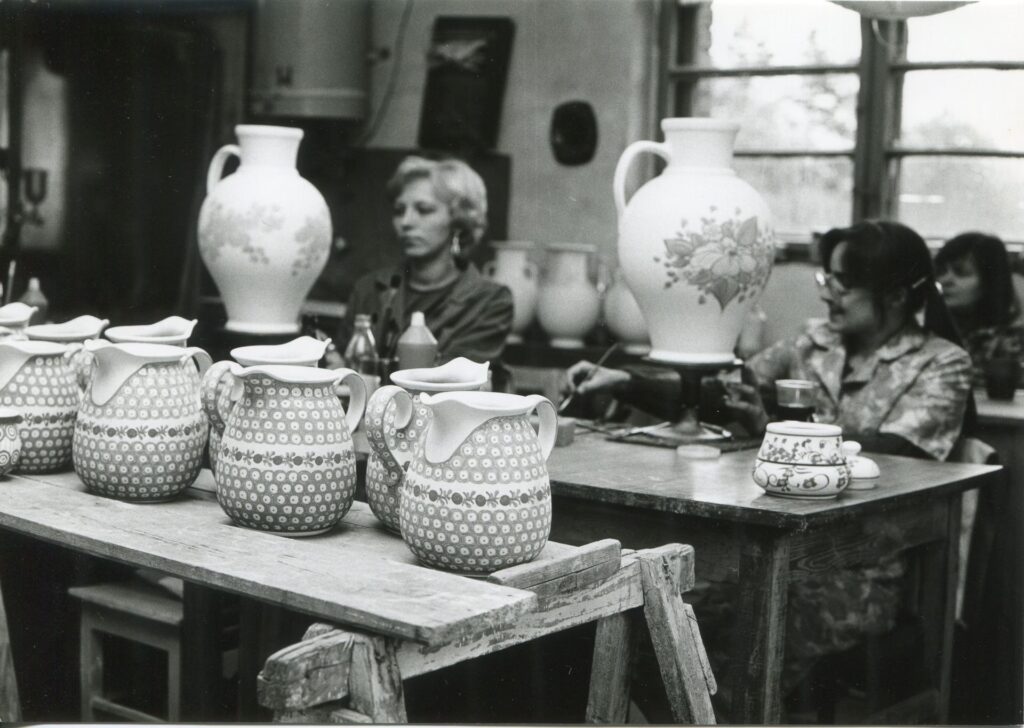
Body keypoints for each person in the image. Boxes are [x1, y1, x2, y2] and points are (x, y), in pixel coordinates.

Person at [563, 220, 974, 715]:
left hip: (857, 572)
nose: (828, 292)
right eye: (827, 278)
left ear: (896, 295)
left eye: (843, 282)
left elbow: (897, 454)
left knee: (728, 645)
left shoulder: (942, 364)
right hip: (769, 552)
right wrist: (624, 382)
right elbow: (723, 395)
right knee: (652, 617)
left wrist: (773, 426)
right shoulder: (812, 342)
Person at [337, 156, 513, 366]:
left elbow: (452, 376)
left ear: (458, 221)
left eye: (423, 210)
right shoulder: (368, 290)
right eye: (399, 211)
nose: (406, 222)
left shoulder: (489, 301)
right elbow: (342, 369)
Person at [936, 231, 1024, 388]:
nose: (945, 280)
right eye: (941, 271)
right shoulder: (931, 330)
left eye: (961, 272)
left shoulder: (1012, 340)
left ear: (989, 281)